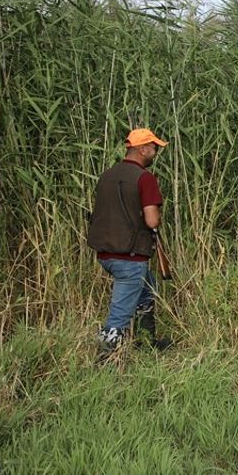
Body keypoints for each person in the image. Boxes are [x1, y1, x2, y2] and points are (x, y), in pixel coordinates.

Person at [86, 127, 172, 362]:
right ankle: (105, 359)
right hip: (130, 256)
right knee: (120, 311)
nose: (155, 152)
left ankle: (146, 341)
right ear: (142, 148)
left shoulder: (108, 175)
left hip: (106, 253)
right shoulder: (144, 178)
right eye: (154, 148)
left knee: (148, 289)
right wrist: (158, 219)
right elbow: (152, 220)